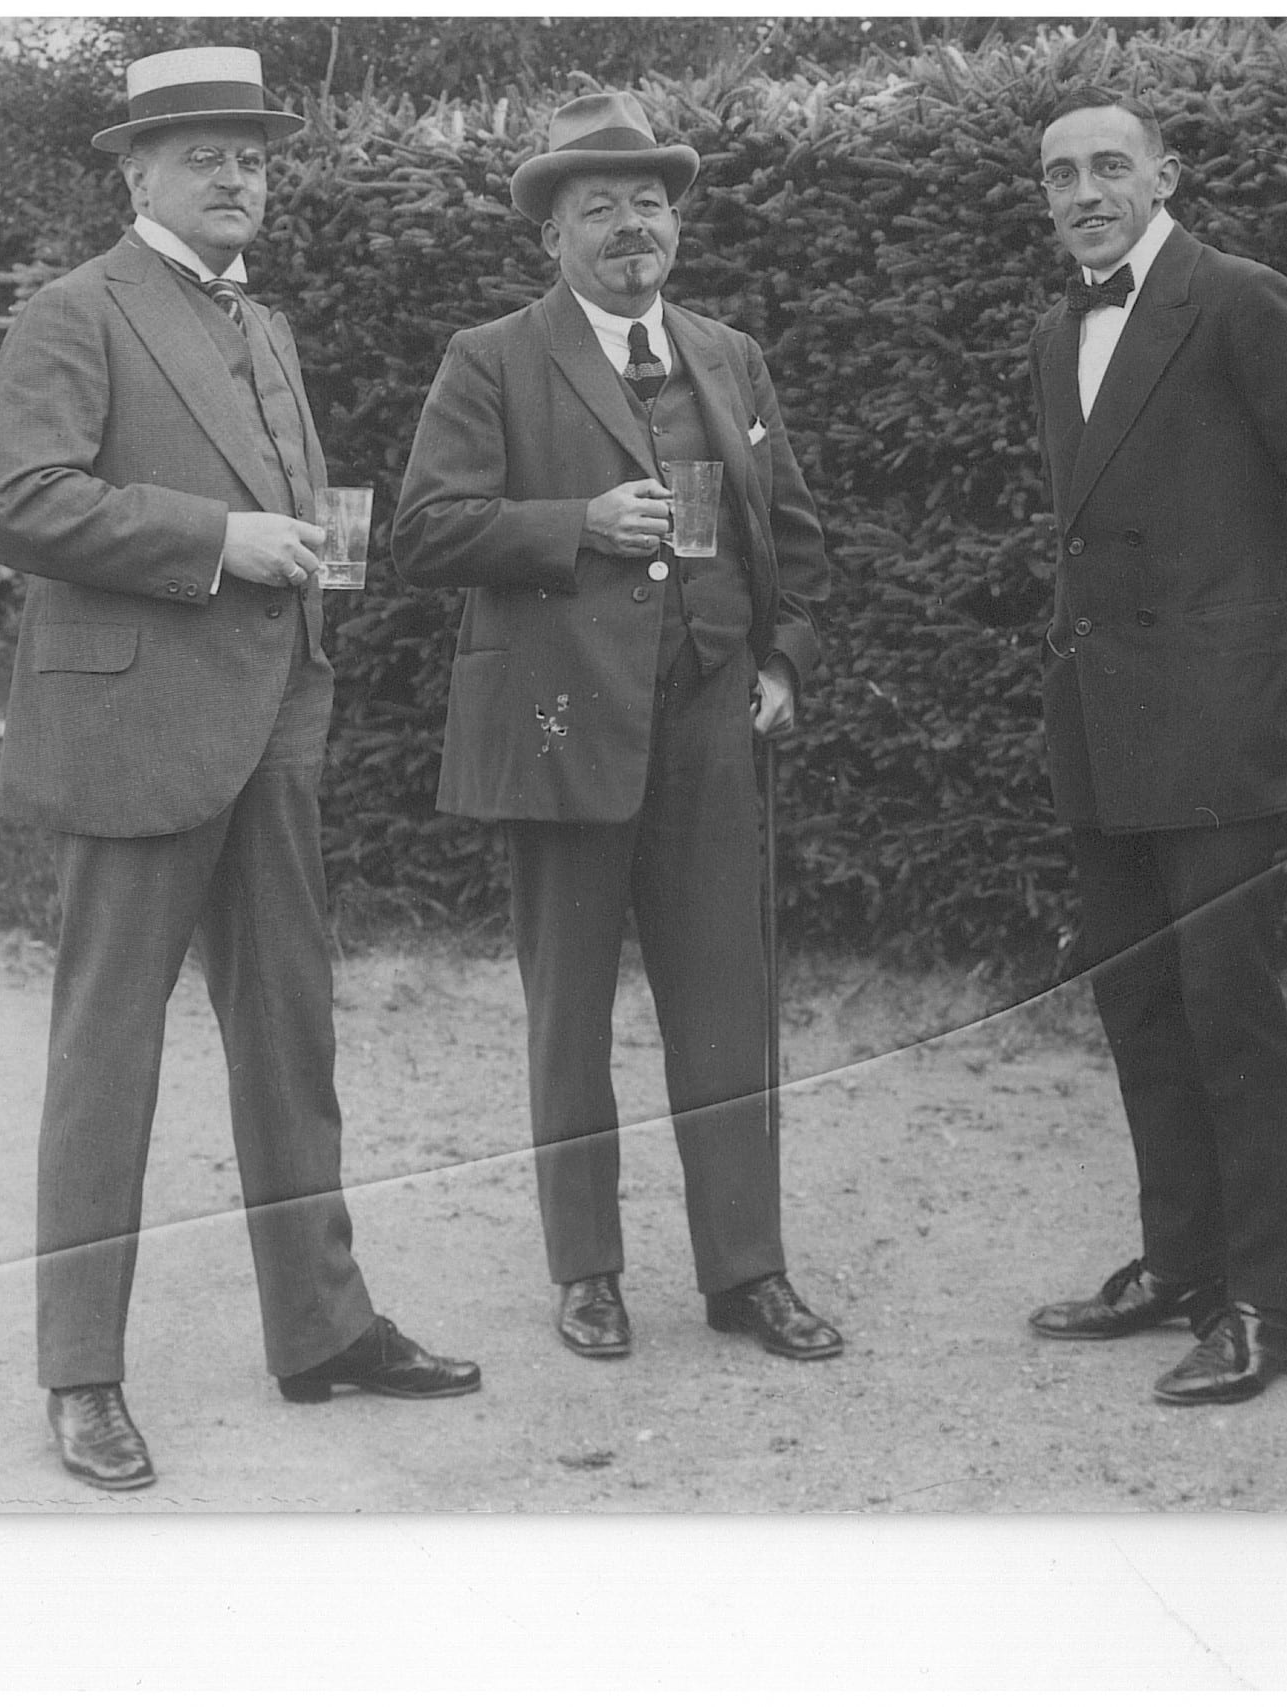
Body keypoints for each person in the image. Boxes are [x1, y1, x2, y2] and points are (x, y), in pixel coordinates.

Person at [0, 45, 479, 1494]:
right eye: (202, 153)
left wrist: (314, 561)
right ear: (136, 172)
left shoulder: (266, 323)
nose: (235, 176)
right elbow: (22, 503)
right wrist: (218, 541)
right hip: (134, 734)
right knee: (107, 1057)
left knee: (289, 1036)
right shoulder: (78, 309)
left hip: (272, 722)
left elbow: (287, 497)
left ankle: (321, 1328)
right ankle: (82, 1374)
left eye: (252, 156)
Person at [392, 92, 842, 1365]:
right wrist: (575, 525)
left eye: (649, 203)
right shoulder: (491, 358)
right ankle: (586, 1272)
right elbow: (425, 529)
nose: (631, 226)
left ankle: (747, 1274)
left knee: (728, 1007)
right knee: (569, 1012)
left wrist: (784, 660)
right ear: (552, 236)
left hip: (708, 722)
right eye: (599, 209)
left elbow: (792, 535)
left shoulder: (727, 355)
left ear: (675, 224)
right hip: (560, 723)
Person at [1021, 87, 1287, 1404]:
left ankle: (1269, 1302)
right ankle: (1181, 1263)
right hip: (1106, 726)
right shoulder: (1055, 331)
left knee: (1229, 1010)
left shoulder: (1238, 299)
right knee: (1139, 1005)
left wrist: (1272, 655)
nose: (1085, 191)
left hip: (1226, 729)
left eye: (1109, 166)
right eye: (1061, 174)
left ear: (1164, 174)